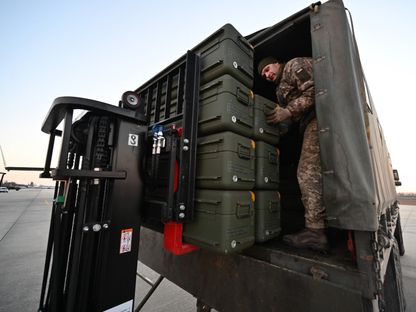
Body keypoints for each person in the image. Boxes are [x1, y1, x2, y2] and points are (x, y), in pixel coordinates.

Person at [258, 56, 328, 252]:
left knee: (306, 172)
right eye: (264, 74)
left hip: (321, 116)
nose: (267, 74)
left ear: (276, 63)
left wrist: (287, 111)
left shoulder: (293, 66)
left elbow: (316, 91)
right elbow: (289, 118)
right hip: (307, 123)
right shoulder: (280, 91)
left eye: (268, 69)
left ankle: (315, 232)